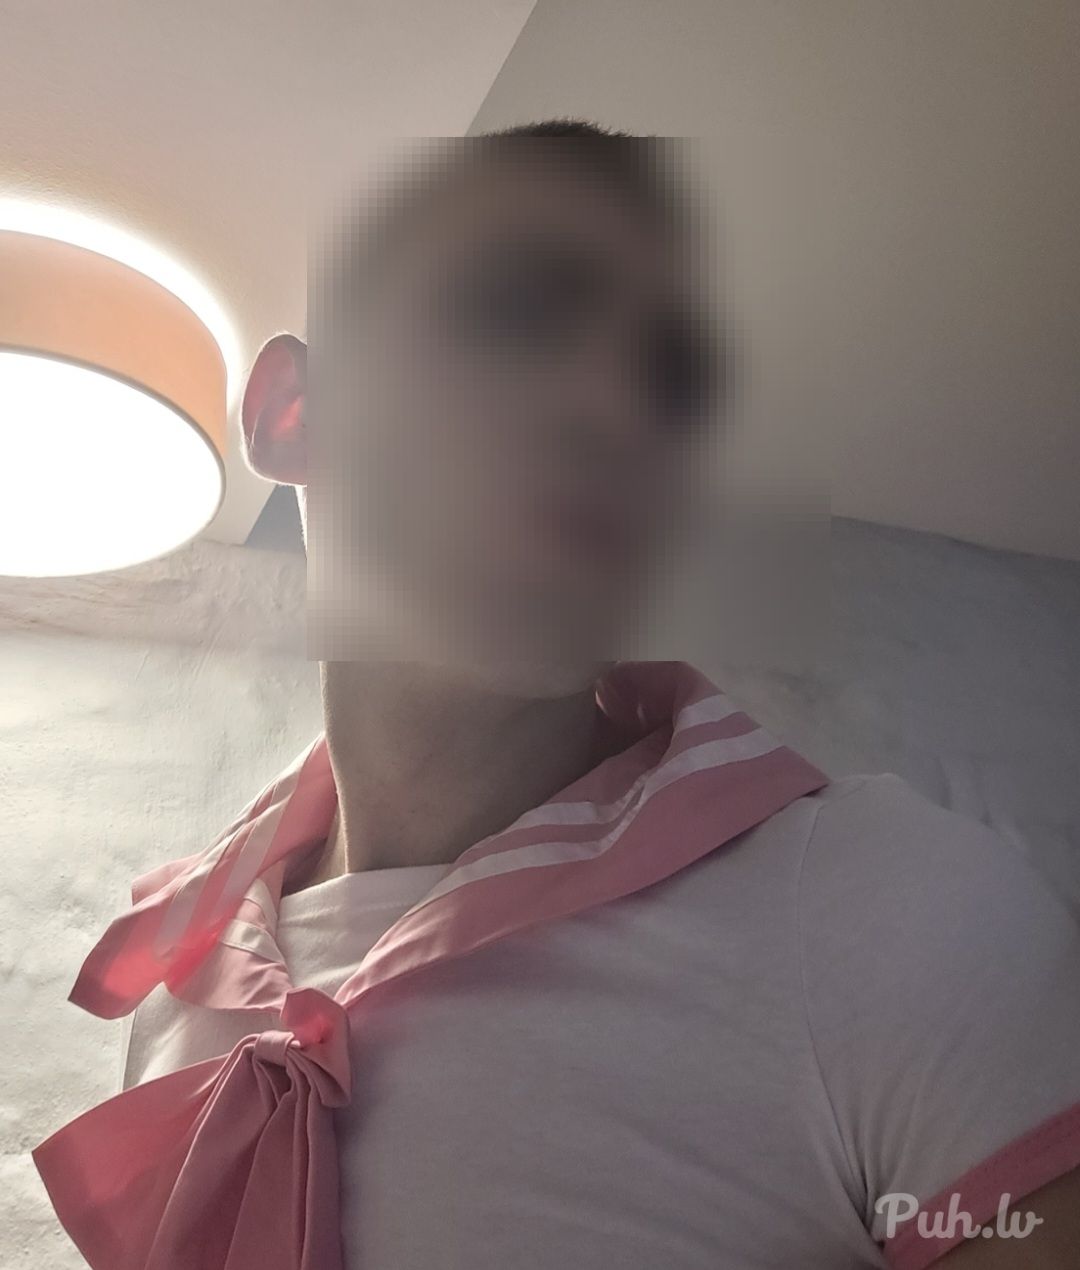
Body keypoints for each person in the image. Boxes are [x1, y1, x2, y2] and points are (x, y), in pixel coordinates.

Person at [33, 122, 1080, 1270]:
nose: (614, 408)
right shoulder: (176, 995)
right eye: (517, 313)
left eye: (674, 379)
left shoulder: (893, 914)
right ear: (294, 415)